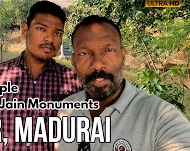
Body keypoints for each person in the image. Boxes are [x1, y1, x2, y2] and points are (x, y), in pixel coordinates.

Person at [0, 0, 82, 151]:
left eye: (58, 33)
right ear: (25, 31)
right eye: (42, 29)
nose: (50, 39)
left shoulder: (73, 82)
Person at [56, 15, 190, 151]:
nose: (97, 64)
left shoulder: (159, 116)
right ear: (73, 60)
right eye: (84, 53)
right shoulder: (66, 108)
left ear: (123, 55)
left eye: (108, 50)